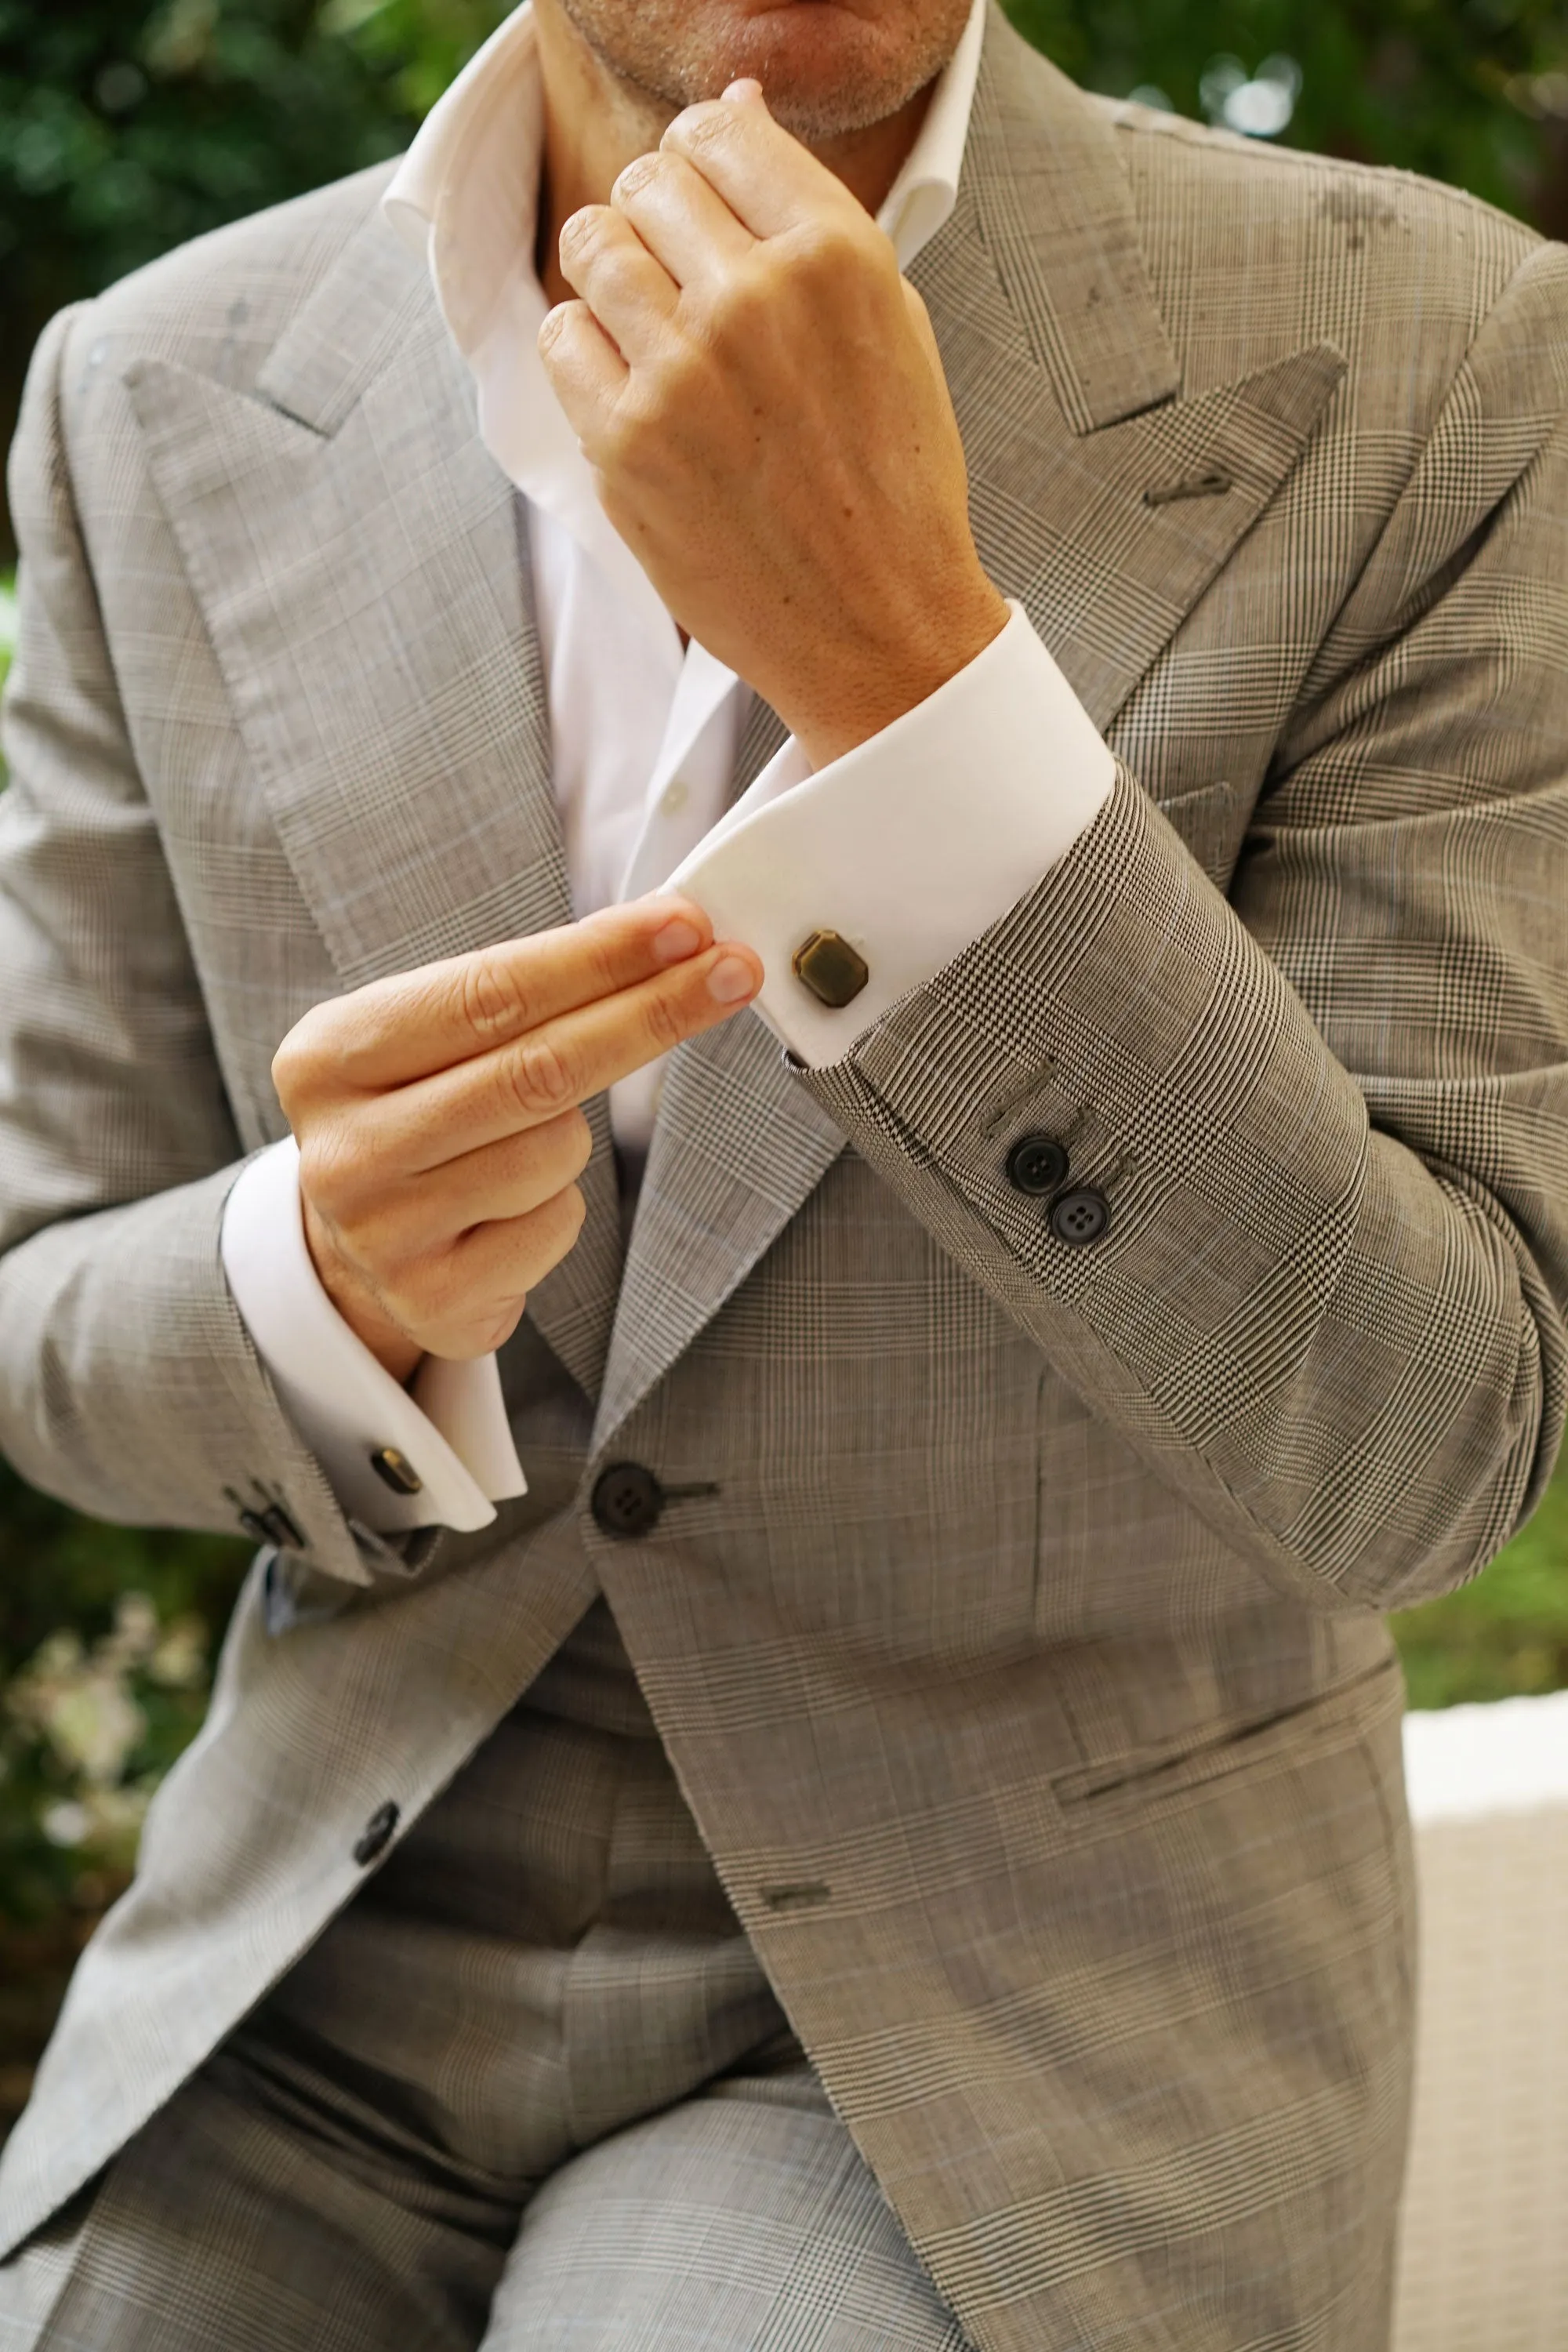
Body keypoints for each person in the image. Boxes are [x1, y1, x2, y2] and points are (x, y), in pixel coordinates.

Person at [1, 0, 1565, 2343]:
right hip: (321, 1964)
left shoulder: (1444, 349)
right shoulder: (148, 393)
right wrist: (304, 1277)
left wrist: (914, 680)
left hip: (1006, 1997)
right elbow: (41, 1295)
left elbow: (1436, 1443)